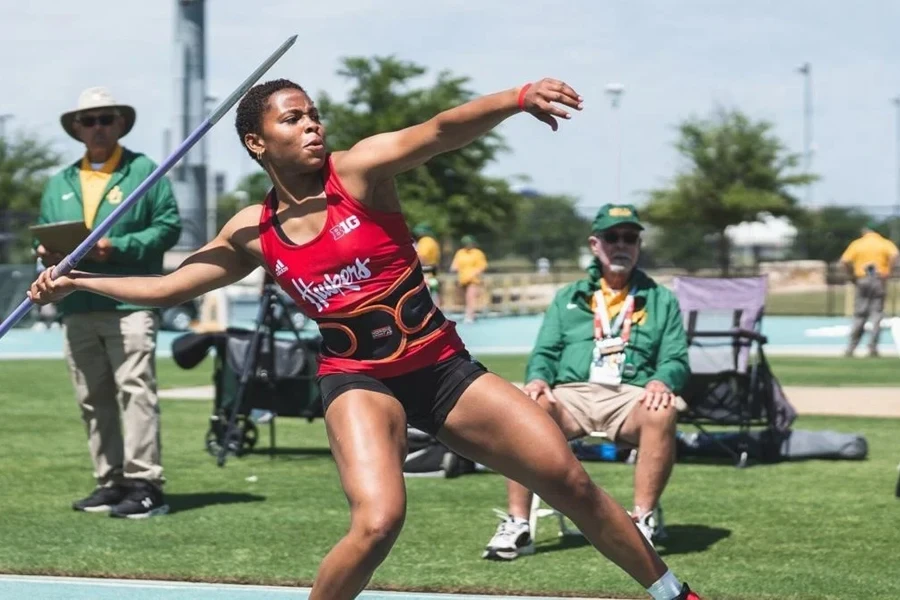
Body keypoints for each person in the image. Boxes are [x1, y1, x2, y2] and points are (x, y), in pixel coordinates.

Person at [29, 78, 701, 600]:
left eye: (313, 113)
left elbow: (440, 130)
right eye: (291, 118)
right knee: (379, 521)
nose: (312, 125)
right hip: (358, 379)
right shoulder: (250, 231)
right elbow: (173, 286)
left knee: (570, 483)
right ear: (257, 143)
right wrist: (77, 279)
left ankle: (674, 591)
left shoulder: (359, 172)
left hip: (441, 368)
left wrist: (517, 99)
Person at [483, 204, 690, 560]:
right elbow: (545, 352)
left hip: (631, 396)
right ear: (595, 244)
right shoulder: (568, 297)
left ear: (639, 244)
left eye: (630, 238)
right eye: (612, 237)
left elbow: (676, 358)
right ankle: (519, 526)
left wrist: (661, 381)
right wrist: (537, 379)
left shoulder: (661, 299)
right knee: (524, 406)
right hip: (572, 395)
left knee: (663, 410)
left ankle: (642, 520)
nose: (621, 245)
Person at [34, 87, 181, 518]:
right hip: (76, 304)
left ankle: (145, 482)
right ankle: (111, 481)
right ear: (76, 129)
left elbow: (168, 228)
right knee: (91, 396)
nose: (97, 127)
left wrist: (114, 246)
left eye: (105, 118)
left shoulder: (145, 171)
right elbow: (45, 235)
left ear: (120, 123)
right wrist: (45, 253)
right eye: (88, 120)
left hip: (129, 302)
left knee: (135, 390)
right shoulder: (59, 182)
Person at [840, 223, 899, 357]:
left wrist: (851, 276)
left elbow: (844, 261)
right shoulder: (884, 243)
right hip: (878, 279)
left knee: (859, 314)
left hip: (862, 279)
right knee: (876, 313)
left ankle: (851, 347)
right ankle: (872, 347)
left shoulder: (857, 244)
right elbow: (895, 255)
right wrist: (888, 271)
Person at [450, 234, 488, 322]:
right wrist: (453, 269)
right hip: (462, 279)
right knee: (464, 298)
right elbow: (455, 265)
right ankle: (468, 314)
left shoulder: (478, 253)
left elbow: (482, 266)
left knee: (470, 297)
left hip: (473, 279)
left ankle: (470, 316)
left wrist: (474, 273)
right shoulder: (460, 253)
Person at [412, 223, 441, 305]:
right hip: (433, 271)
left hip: (426, 272)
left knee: (427, 295)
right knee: (434, 293)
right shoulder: (433, 241)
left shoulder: (425, 241)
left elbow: (421, 256)